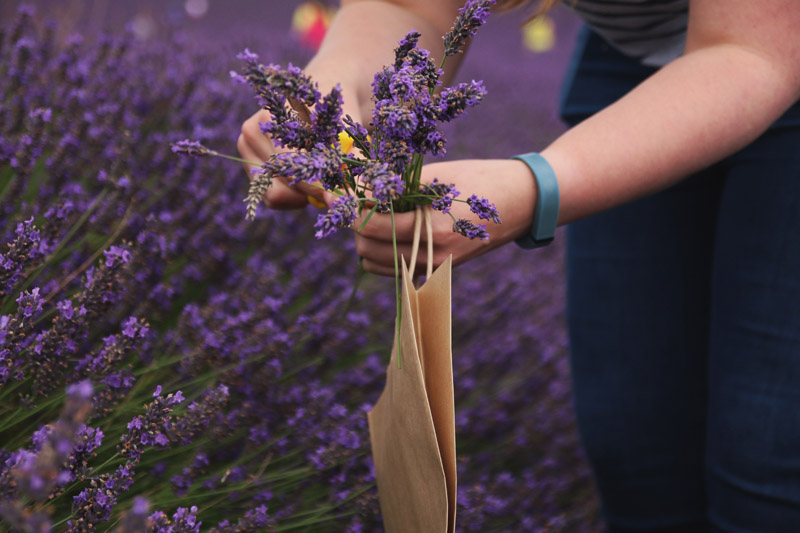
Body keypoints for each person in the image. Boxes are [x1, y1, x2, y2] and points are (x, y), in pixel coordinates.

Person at [238, 0, 800, 530]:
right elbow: (412, 10)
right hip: (635, 53)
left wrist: (533, 187)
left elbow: (754, 52)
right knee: (636, 447)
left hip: (768, 46)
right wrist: (333, 93)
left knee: (767, 459)